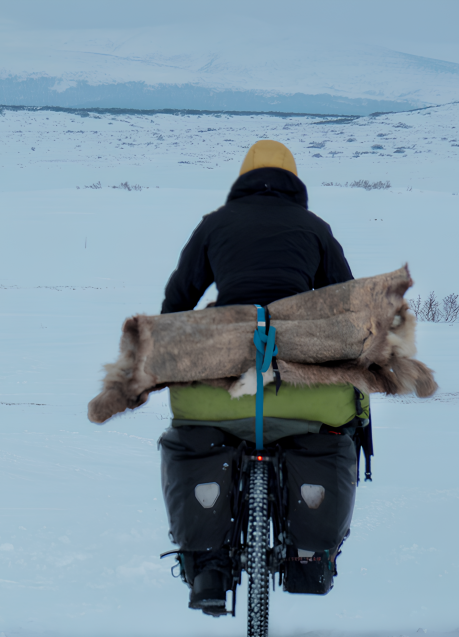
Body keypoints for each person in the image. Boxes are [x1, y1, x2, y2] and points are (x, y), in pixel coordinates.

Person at [158, 140, 365, 615]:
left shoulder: (215, 225)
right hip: (304, 396)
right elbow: (348, 307)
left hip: (225, 390)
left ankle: (209, 565)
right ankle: (308, 555)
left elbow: (176, 303)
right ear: (295, 183)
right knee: (329, 433)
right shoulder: (315, 228)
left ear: (242, 180)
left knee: (196, 438)